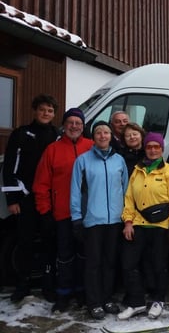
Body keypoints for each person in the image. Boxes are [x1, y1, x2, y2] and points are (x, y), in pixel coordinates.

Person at [33, 108, 93, 313]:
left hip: (88, 214)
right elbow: (41, 183)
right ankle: (64, 293)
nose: (74, 126)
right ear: (64, 125)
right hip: (62, 212)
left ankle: (82, 290)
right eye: (70, 122)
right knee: (65, 255)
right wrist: (45, 211)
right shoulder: (53, 149)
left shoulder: (91, 147)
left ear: (83, 126)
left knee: (84, 254)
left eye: (78, 123)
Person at [119, 132, 169, 320]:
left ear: (162, 149)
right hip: (138, 224)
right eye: (149, 147)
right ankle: (137, 302)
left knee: (158, 265)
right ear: (145, 149)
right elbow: (129, 198)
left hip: (161, 226)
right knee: (129, 264)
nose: (153, 150)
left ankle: (158, 300)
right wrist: (128, 221)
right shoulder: (137, 170)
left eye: (156, 147)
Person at [2, 94, 59, 303]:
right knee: (24, 241)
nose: (46, 113)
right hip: (26, 197)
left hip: (49, 199)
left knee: (49, 242)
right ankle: (23, 284)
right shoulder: (21, 134)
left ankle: (48, 284)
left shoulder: (57, 135)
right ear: (35, 111)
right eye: (42, 109)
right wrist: (12, 199)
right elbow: (10, 167)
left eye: (50, 111)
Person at [70, 121, 129, 319]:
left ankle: (107, 298)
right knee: (93, 263)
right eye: (98, 133)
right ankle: (93, 302)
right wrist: (76, 217)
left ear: (111, 136)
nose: (103, 136)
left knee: (110, 262)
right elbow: (75, 191)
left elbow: (126, 190)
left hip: (115, 220)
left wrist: (127, 216)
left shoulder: (119, 160)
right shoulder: (83, 161)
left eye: (106, 132)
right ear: (93, 137)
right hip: (93, 220)